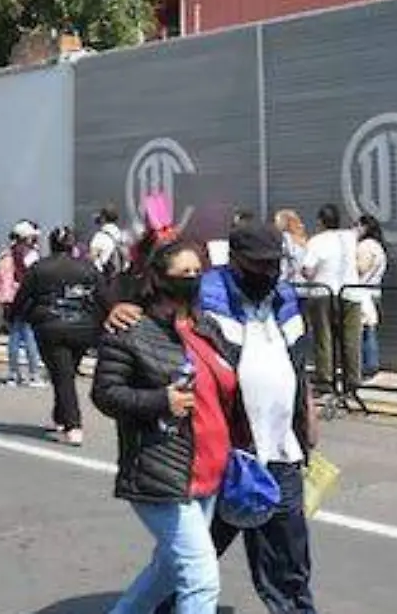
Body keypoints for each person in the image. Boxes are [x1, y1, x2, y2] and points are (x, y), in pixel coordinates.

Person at [109, 220, 322, 614]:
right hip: (225, 454)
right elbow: (155, 312)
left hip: (281, 452)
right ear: (236, 261)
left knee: (288, 556)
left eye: (274, 264)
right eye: (258, 265)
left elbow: (297, 363)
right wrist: (120, 308)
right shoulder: (206, 296)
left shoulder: (286, 298)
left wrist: (306, 411)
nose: (268, 272)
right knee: (193, 564)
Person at [92, 234, 237, 614]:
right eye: (182, 272)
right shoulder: (131, 329)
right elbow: (105, 394)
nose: (192, 278)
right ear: (158, 278)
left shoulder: (207, 328)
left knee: (169, 571)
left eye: (197, 271)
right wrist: (161, 401)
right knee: (200, 577)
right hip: (162, 471)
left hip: (208, 471)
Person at [14, 226, 104, 445]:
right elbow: (103, 296)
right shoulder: (88, 268)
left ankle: (73, 424)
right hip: (83, 327)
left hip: (50, 327)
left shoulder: (39, 268)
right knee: (65, 372)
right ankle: (61, 416)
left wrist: (17, 315)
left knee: (63, 375)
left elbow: (23, 297)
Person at [297, 203, 358, 396]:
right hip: (350, 292)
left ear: (320, 221)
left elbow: (307, 269)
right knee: (350, 339)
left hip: (323, 292)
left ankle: (325, 379)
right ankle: (352, 381)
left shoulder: (317, 241)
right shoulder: (350, 237)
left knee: (324, 337)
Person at [0, 221, 45, 387]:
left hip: (9, 300)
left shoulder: (5, 255)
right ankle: (34, 374)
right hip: (26, 299)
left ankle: (13, 374)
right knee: (29, 336)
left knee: (14, 336)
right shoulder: (31, 256)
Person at [350, 214, 389, 380]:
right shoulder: (378, 247)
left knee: (364, 331)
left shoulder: (366, 246)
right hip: (374, 292)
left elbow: (361, 268)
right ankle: (369, 366)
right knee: (369, 329)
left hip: (363, 293)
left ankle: (367, 366)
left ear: (364, 227)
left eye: (356, 226)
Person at [88, 205, 127, 280]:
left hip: (105, 277)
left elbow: (93, 257)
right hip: (121, 278)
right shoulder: (122, 235)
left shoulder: (99, 236)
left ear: (103, 219)